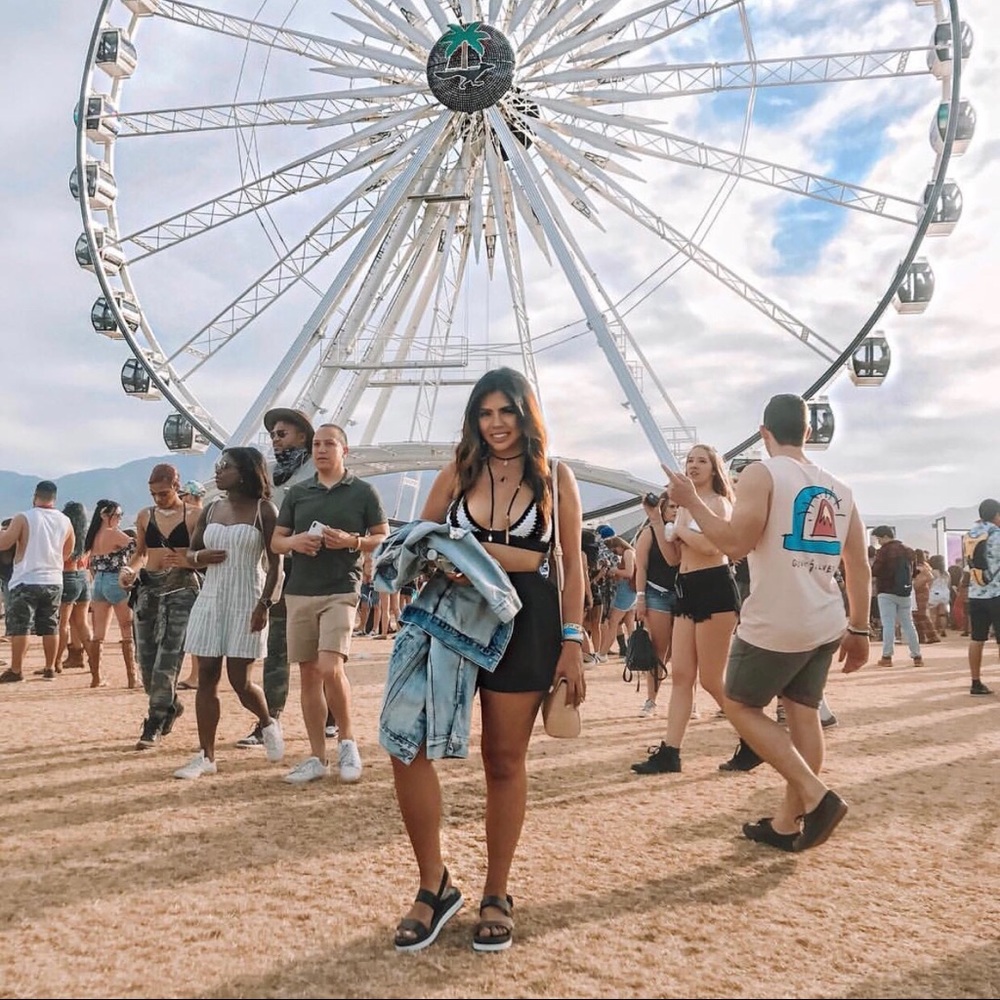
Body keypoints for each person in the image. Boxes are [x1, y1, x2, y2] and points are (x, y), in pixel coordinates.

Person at [385, 367, 585, 954]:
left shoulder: (556, 479)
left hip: (530, 626)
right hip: (452, 618)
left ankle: (497, 891)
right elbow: (418, 544)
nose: (496, 424)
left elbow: (566, 564)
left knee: (503, 759)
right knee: (408, 742)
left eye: (507, 412)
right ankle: (434, 884)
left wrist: (573, 640)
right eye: (485, 413)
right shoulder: (457, 472)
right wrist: (469, 558)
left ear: (527, 415)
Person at [665, 394, 869, 851]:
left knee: (737, 701)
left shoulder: (762, 473)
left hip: (778, 616)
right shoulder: (840, 488)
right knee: (802, 711)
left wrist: (691, 504)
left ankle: (817, 797)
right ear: (809, 433)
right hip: (825, 616)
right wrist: (859, 628)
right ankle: (786, 823)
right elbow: (858, 566)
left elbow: (735, 543)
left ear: (763, 433)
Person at [271, 423, 389, 784]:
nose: (321, 450)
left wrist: (352, 542)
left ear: (344, 450)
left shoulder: (364, 492)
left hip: (342, 587)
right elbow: (277, 541)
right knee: (307, 674)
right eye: (317, 444)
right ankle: (316, 757)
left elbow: (382, 535)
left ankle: (348, 742)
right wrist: (297, 543)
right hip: (300, 589)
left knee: (329, 666)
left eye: (329, 444)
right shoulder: (296, 494)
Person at [173, 448, 285, 779]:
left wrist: (265, 604)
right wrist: (200, 556)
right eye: (218, 466)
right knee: (206, 675)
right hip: (211, 597)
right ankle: (206, 756)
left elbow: (277, 563)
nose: (218, 472)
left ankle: (267, 722)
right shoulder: (211, 508)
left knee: (240, 681)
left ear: (247, 471)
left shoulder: (264, 510)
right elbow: (190, 553)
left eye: (226, 467)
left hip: (247, 597)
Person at [632, 444, 740, 775]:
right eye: (690, 460)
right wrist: (655, 521)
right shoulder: (682, 509)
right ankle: (670, 751)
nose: (693, 465)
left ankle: (753, 735)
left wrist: (678, 529)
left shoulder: (717, 503)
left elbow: (712, 546)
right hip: (686, 586)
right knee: (681, 676)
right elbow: (673, 558)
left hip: (714, 588)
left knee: (710, 679)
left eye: (702, 460)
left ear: (714, 468)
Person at [236, 407, 325, 747]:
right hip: (278, 569)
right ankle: (270, 719)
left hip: (315, 569)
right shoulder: (268, 476)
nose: (276, 440)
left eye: (282, 433)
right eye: (273, 435)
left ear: (303, 436)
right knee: (277, 648)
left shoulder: (318, 472)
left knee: (320, 650)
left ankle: (329, 713)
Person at [119, 464, 202, 749]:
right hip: (149, 590)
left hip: (181, 589)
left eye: (163, 493)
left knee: (168, 658)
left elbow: (204, 555)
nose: (158, 499)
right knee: (146, 661)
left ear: (176, 487)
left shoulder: (194, 516)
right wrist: (128, 571)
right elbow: (140, 554)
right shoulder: (145, 515)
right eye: (153, 494)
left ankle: (153, 721)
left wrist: (188, 561)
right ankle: (171, 705)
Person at [0, 481, 74, 682]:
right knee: (50, 625)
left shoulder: (24, 517)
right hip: (53, 579)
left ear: (35, 496)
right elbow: (68, 551)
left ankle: (16, 670)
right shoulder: (65, 520)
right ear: (54, 498)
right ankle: (50, 667)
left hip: (26, 578)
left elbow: (4, 543)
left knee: (21, 626)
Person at [633, 492, 678, 717]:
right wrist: (640, 598)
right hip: (656, 594)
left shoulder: (684, 531)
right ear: (661, 508)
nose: (675, 510)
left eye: (679, 506)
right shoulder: (649, 532)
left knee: (680, 653)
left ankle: (688, 702)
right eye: (671, 506)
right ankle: (651, 700)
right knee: (659, 651)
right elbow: (640, 567)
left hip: (682, 595)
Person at [84, 500, 137, 688]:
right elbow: (138, 548)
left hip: (98, 582)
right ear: (106, 515)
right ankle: (132, 677)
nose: (120, 519)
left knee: (99, 632)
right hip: (116, 580)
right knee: (126, 628)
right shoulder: (113, 533)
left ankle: (96, 677)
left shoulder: (94, 535)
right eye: (118, 515)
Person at [52, 501, 97, 684]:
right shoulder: (87, 535)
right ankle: (94, 662)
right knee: (82, 622)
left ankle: (55, 662)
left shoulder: (64, 532)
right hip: (83, 577)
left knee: (63, 623)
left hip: (67, 575)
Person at [870, 526, 922, 668]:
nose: (879, 542)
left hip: (886, 591)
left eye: (879, 538)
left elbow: (876, 570)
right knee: (908, 624)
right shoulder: (908, 550)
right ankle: (917, 656)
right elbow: (914, 571)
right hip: (904, 592)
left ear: (886, 536)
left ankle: (887, 656)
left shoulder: (884, 551)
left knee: (888, 624)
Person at [964, 498, 1000, 696]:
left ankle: (975, 681)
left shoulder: (970, 535)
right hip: (997, 592)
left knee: (977, 639)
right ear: (996, 515)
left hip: (976, 592)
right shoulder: (998, 535)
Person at [176, 482, 208, 689]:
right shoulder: (207, 514)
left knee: (195, 628)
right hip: (204, 573)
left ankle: (196, 675)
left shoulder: (193, 516)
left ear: (188, 496)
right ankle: (198, 674)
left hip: (193, 574)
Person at [596, 535, 636, 660]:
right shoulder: (630, 553)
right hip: (629, 591)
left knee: (613, 622)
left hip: (626, 591)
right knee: (630, 625)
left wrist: (614, 570)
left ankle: (602, 654)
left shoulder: (628, 553)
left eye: (614, 550)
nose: (615, 553)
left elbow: (629, 573)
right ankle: (632, 653)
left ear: (618, 546)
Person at [911, 549, 939, 646]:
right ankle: (921, 636)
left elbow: (930, 577)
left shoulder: (922, 567)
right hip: (920, 591)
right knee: (917, 614)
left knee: (921, 614)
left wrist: (920, 583)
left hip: (921, 592)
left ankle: (932, 635)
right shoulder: (924, 566)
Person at [927, 554, 951, 638]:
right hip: (945, 592)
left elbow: (930, 583)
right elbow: (949, 584)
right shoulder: (946, 573)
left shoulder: (933, 572)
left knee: (932, 613)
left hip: (934, 592)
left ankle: (933, 631)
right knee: (942, 613)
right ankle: (943, 630)